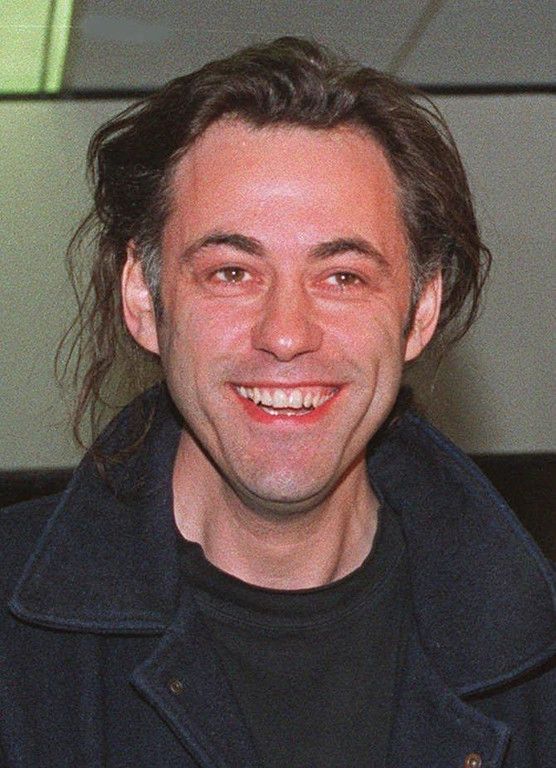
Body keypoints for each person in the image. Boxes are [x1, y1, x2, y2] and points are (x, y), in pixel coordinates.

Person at [1, 37, 554, 768]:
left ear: (420, 310)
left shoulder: (536, 658)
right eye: (231, 272)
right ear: (143, 299)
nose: (286, 334)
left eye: (343, 277)